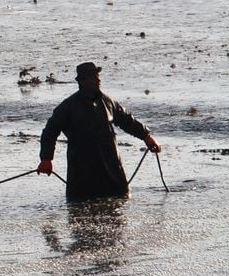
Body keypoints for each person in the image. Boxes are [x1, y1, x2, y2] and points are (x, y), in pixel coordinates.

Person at [37, 62, 161, 201]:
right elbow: (49, 132)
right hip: (82, 170)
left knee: (120, 202)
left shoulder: (108, 102)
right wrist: (46, 159)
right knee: (80, 208)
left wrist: (147, 136)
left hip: (111, 166)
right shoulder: (68, 107)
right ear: (82, 81)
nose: (98, 80)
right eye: (93, 77)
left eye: (97, 76)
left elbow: (127, 121)